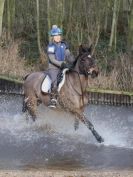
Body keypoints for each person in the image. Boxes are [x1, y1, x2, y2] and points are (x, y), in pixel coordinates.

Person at [46, 25, 75, 108]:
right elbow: (52, 59)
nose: (58, 37)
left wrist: (74, 61)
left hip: (63, 67)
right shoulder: (51, 46)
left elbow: (68, 55)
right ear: (53, 37)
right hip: (53, 68)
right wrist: (61, 64)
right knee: (55, 81)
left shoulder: (64, 45)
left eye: (59, 35)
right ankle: (53, 99)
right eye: (56, 36)